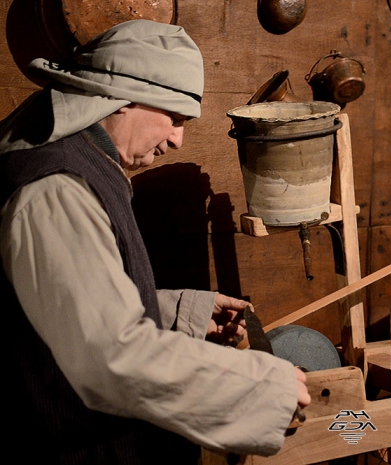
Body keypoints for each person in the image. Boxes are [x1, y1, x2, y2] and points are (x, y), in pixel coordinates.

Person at [0, 19, 310, 464]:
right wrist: (262, 385)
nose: (178, 139)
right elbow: (110, 358)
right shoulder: (56, 188)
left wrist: (181, 312)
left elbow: (63, 304)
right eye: (176, 118)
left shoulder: (84, 163)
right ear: (123, 99)